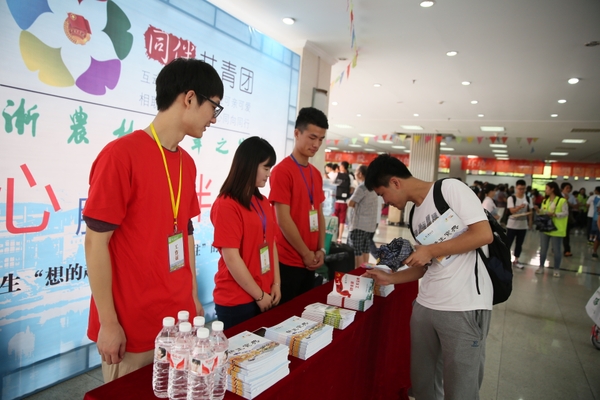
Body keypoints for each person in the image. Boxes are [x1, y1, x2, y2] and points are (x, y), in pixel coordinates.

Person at [83, 58, 223, 382]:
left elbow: (185, 232)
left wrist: (193, 296)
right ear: (190, 98)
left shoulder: (187, 163)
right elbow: (95, 242)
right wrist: (108, 322)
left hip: (179, 321)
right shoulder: (121, 155)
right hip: (132, 326)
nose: (214, 118)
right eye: (214, 107)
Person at [363, 155, 493, 400]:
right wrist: (390, 278)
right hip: (426, 305)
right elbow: (426, 266)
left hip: (463, 305)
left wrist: (430, 250)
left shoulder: (450, 189)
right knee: (424, 385)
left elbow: (483, 234)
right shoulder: (414, 215)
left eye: (382, 194)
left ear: (395, 182)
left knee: (461, 389)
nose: (385, 202)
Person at [210, 137, 281, 329]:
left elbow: (272, 244)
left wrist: (276, 284)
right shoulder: (226, 204)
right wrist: (259, 295)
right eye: (266, 168)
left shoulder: (263, 201)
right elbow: (232, 258)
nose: (269, 174)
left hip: (265, 293)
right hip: (238, 299)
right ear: (250, 165)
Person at [269, 107, 328, 304]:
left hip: (310, 261)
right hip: (287, 261)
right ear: (297, 133)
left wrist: (321, 249)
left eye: (321, 139)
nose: (316, 144)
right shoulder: (282, 171)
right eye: (312, 137)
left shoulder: (315, 174)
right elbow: (283, 220)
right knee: (284, 316)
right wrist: (305, 253)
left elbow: (319, 214)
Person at [347, 165, 379, 268]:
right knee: (365, 250)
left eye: (356, 172)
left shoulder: (362, 187)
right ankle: (365, 272)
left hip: (359, 225)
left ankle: (357, 273)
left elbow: (351, 203)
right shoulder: (373, 187)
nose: (355, 174)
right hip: (370, 226)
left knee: (357, 251)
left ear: (360, 174)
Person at [534, 182, 569, 277]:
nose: (545, 190)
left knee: (557, 250)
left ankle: (556, 269)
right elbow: (543, 212)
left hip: (557, 230)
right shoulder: (545, 200)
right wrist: (538, 210)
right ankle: (541, 267)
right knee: (543, 249)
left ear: (552, 189)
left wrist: (554, 214)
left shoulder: (562, 201)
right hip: (545, 228)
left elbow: (565, 213)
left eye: (547, 188)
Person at [506, 179, 533, 268]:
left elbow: (530, 211)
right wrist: (520, 207)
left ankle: (516, 260)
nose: (522, 191)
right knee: (508, 243)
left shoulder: (528, 198)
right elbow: (511, 211)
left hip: (523, 225)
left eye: (523, 189)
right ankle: (506, 260)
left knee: (519, 244)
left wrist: (530, 222)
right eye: (520, 189)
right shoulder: (511, 198)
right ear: (516, 188)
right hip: (512, 225)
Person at [332, 162, 352, 243]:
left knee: (335, 219)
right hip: (344, 202)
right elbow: (351, 189)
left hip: (336, 201)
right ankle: (340, 238)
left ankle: (334, 235)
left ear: (343, 167)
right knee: (342, 220)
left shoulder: (336, 175)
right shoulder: (349, 176)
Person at [560, 182, 578, 257]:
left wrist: (567, 202)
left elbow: (575, 206)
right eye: (567, 188)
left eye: (570, 188)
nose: (568, 189)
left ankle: (567, 250)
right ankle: (555, 247)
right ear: (562, 188)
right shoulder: (558, 195)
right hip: (558, 217)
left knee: (566, 234)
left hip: (567, 217)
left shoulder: (571, 197)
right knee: (557, 234)